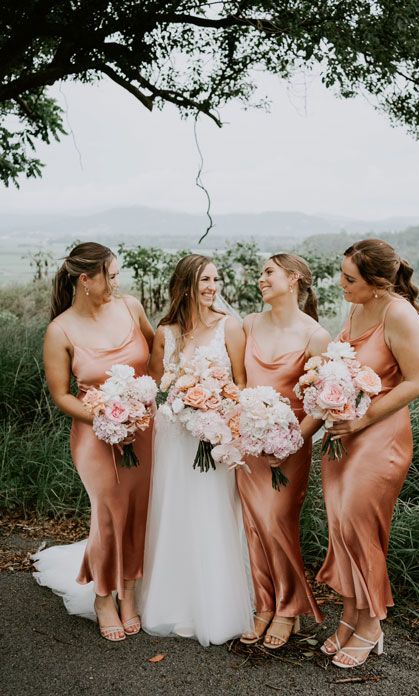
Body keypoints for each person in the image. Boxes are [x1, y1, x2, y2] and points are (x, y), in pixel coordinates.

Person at [317, 239, 419, 669]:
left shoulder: (397, 312)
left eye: (350, 279)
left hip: (380, 435)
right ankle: (350, 614)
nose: (342, 284)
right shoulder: (356, 306)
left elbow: (417, 381)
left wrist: (362, 419)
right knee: (340, 522)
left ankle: (372, 623)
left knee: (360, 524)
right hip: (342, 435)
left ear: (378, 283)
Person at [33, 242, 155, 642]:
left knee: (138, 508)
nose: (116, 283)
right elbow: (62, 394)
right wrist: (104, 416)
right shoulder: (61, 329)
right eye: (111, 276)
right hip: (95, 435)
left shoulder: (131, 308)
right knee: (108, 512)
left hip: (144, 428)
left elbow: (157, 356)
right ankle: (103, 596)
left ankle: (130, 592)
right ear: (86, 279)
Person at [139, 253, 254, 647]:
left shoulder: (231, 327)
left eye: (215, 280)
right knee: (175, 512)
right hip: (174, 438)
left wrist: (216, 406)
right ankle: (174, 602)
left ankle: (214, 603)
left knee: (212, 514)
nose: (212, 287)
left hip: (214, 436)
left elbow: (240, 384)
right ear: (185, 285)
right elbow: (156, 387)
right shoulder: (166, 333)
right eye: (204, 280)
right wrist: (182, 398)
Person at [236, 253, 330, 649]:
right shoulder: (248, 324)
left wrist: (291, 442)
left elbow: (322, 403)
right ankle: (263, 603)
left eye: (269, 272)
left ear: (293, 279)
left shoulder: (315, 336)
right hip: (248, 444)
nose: (261, 278)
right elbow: (238, 384)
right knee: (254, 524)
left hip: (290, 443)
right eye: (260, 273)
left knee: (277, 521)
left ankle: (289, 608)